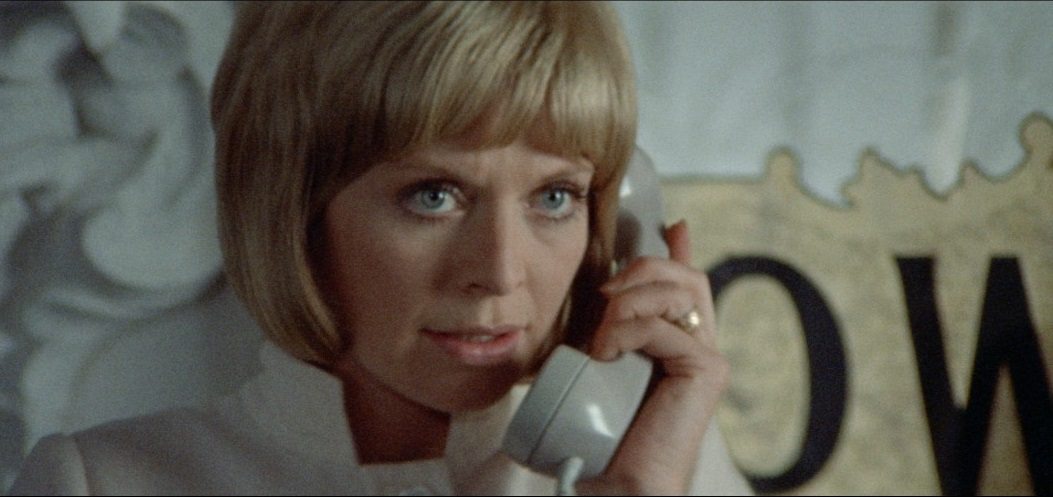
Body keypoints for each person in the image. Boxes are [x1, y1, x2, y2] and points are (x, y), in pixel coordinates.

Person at [10, 2, 751, 495]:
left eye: (554, 197)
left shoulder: (668, 468)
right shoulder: (101, 482)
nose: (498, 272)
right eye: (433, 195)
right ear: (293, 208)